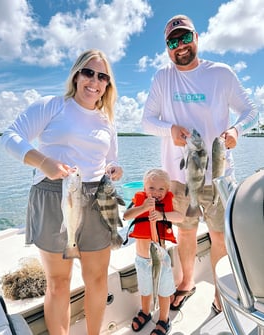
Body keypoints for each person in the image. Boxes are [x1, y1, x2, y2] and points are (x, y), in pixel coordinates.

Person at [142, 14, 258, 314]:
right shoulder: (161, 78)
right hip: (178, 178)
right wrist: (169, 129)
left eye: (184, 38)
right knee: (186, 232)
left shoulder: (221, 73)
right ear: (167, 48)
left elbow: (250, 111)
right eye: (172, 41)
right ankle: (186, 283)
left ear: (196, 37)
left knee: (221, 235)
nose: (179, 46)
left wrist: (236, 130)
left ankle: (222, 293)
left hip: (218, 175)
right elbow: (146, 121)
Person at [1, 49, 123, 335]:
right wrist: (43, 161)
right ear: (76, 75)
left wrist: (115, 168)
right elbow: (10, 136)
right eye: (88, 72)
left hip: (97, 200)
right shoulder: (51, 105)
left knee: (97, 279)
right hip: (53, 195)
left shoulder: (107, 120)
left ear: (108, 84)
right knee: (58, 282)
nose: (94, 81)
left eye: (102, 76)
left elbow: (111, 158)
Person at [123, 169, 183, 335]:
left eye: (161, 189)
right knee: (145, 289)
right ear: (144, 188)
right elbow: (126, 216)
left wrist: (162, 215)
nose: (156, 193)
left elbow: (180, 217)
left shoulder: (166, 205)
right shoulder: (140, 201)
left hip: (161, 261)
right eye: (151, 188)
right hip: (142, 259)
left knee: (163, 291)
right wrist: (142, 208)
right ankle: (145, 312)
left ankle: (164, 319)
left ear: (167, 190)